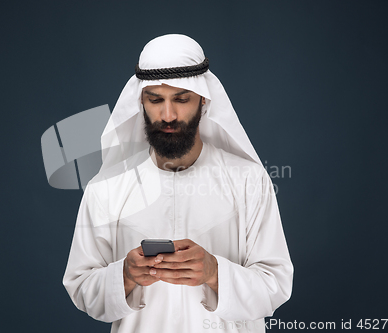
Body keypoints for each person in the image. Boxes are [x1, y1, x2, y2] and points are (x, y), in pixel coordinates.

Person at [63, 34, 293, 333]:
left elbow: (276, 284)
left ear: (204, 100)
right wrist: (125, 274)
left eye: (182, 99)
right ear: (141, 102)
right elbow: (81, 286)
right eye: (155, 100)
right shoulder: (107, 187)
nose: (168, 115)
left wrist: (214, 273)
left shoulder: (248, 179)